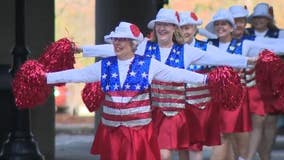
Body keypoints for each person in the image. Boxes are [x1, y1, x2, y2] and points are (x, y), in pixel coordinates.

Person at [76, 8, 257, 160]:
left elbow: (218, 56)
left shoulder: (186, 51)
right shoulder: (145, 47)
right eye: (159, 25)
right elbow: (112, 48)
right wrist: (81, 49)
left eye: (167, 24)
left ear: (174, 28)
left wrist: (248, 61)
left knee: (165, 154)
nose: (162, 28)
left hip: (172, 112)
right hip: (146, 112)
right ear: (155, 28)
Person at [46, 21, 211, 160]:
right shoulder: (105, 65)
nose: (117, 43)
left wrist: (207, 79)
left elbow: (178, 74)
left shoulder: (149, 64)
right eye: (115, 39)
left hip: (139, 134)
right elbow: (77, 74)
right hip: (112, 134)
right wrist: (45, 77)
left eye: (122, 39)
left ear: (133, 44)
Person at [205, 8, 284, 160]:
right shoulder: (208, 44)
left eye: (225, 24)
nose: (220, 27)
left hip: (235, 101)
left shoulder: (245, 44)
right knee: (223, 138)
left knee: (237, 138)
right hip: (214, 100)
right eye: (217, 24)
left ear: (231, 27)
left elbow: (274, 47)